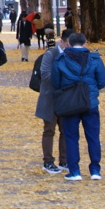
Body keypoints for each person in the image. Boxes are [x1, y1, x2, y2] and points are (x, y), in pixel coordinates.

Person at [52, 31, 105, 181]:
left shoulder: (61, 60)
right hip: (90, 103)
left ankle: (74, 170)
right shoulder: (94, 59)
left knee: (71, 137)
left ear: (68, 43)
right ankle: (95, 170)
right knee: (93, 136)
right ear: (85, 43)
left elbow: (55, 83)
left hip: (70, 103)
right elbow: (102, 81)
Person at [35, 29, 73, 174]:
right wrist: (65, 81)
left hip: (65, 100)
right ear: (61, 42)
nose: (69, 47)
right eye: (68, 44)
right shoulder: (50, 54)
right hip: (50, 98)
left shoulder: (72, 55)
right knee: (49, 130)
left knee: (65, 130)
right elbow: (45, 74)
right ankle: (48, 161)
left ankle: (64, 160)